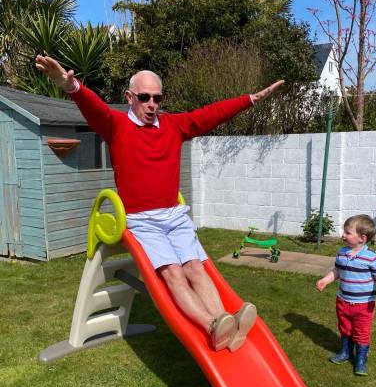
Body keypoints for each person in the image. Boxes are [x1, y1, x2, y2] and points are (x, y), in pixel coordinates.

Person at [35, 54, 284, 353]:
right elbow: (93, 107)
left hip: (175, 216)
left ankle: (225, 322)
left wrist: (250, 100)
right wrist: (70, 85)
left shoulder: (173, 126)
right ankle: (211, 325)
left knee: (195, 267)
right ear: (129, 97)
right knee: (173, 272)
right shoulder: (116, 125)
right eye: (144, 97)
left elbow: (211, 114)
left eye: (157, 98)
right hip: (142, 221)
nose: (152, 104)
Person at [315, 214, 376, 376]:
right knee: (345, 328)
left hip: (364, 305)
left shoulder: (372, 257)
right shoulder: (342, 253)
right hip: (343, 301)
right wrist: (325, 280)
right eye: (344, 231)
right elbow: (337, 271)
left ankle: (361, 360)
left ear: (362, 238)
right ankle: (345, 352)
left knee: (361, 332)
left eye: (348, 232)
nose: (343, 235)